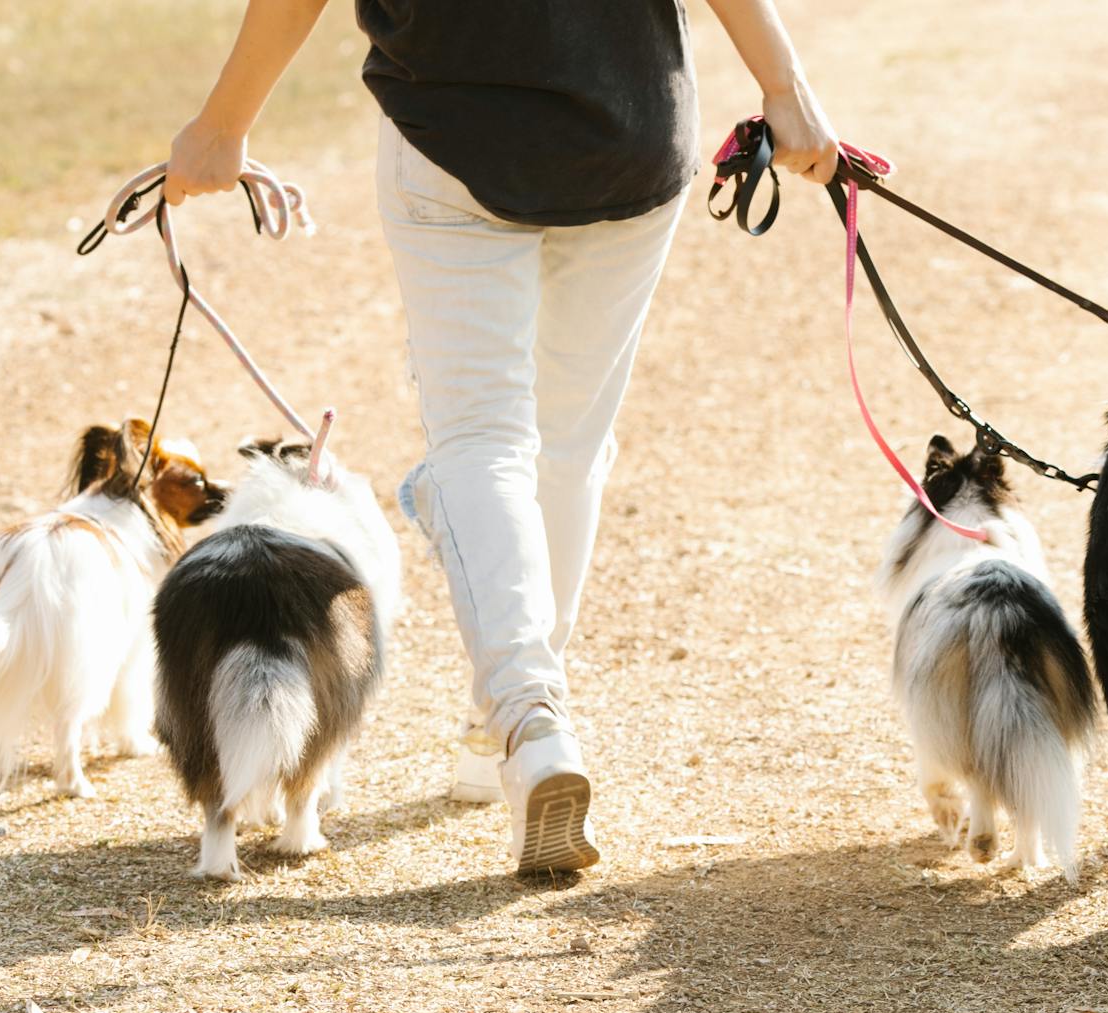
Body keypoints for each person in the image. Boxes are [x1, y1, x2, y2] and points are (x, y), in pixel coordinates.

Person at [166, 0, 838, 873]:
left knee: (483, 444)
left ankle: (527, 717)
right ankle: (513, 725)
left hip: (453, 132)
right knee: (568, 444)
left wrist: (223, 125)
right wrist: (784, 86)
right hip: (627, 127)